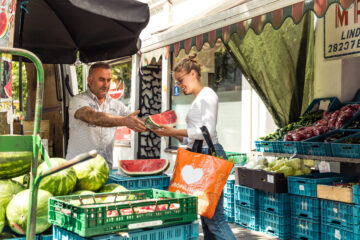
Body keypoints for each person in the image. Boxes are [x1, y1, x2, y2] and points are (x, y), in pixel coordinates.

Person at [152, 54, 236, 240]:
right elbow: (193, 138)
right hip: (200, 153)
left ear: (193, 74)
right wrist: (171, 133)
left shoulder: (207, 95)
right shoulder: (199, 98)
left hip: (208, 155)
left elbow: (206, 131)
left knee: (214, 217)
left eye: (181, 80)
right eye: (177, 82)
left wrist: (173, 132)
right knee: (205, 215)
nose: (180, 86)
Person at [66, 62, 146, 168]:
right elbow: (93, 117)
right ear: (89, 81)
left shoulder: (117, 105)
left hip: (104, 169)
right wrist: (124, 121)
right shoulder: (78, 100)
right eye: (101, 80)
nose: (106, 85)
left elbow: (137, 121)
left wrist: (161, 126)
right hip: (78, 168)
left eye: (108, 80)